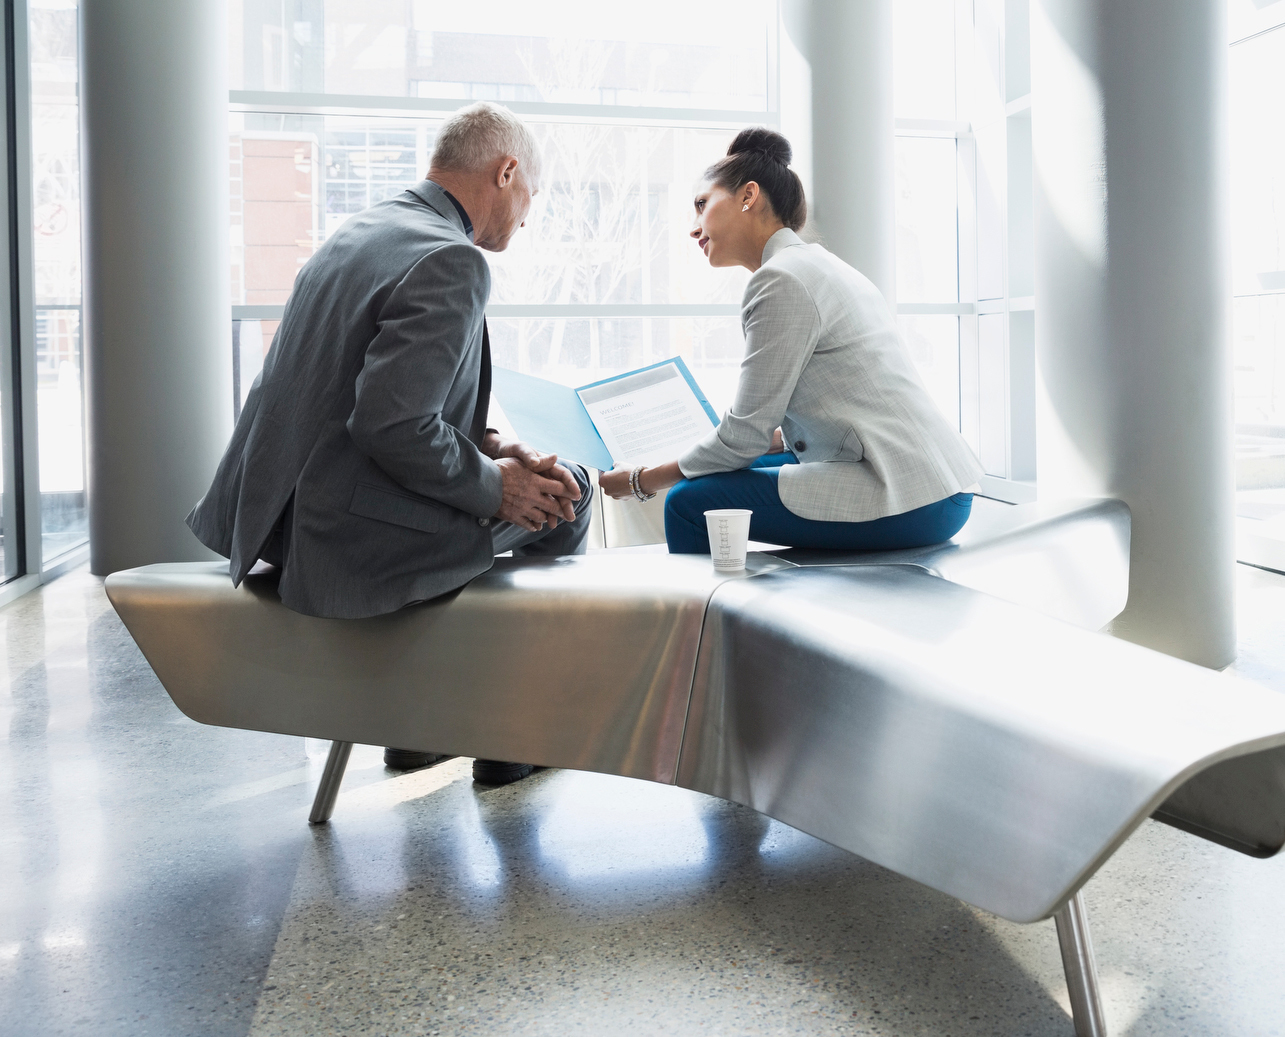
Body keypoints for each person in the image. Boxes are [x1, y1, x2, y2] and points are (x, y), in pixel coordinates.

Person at [188, 102, 591, 785]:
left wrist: (492, 447)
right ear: (507, 171)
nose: (528, 214)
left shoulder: (363, 230)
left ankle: (417, 724)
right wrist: (502, 485)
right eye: (532, 195)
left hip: (280, 519)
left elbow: (359, 395)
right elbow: (393, 426)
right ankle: (507, 731)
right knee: (568, 496)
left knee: (518, 490)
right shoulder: (452, 260)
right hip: (346, 537)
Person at [599, 127, 982, 553]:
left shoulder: (780, 280)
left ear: (748, 196)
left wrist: (640, 480)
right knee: (707, 476)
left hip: (912, 496)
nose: (693, 228)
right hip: (940, 479)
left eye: (702, 205)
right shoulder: (818, 264)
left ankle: (717, 617)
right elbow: (780, 427)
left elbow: (742, 437)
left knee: (688, 502)